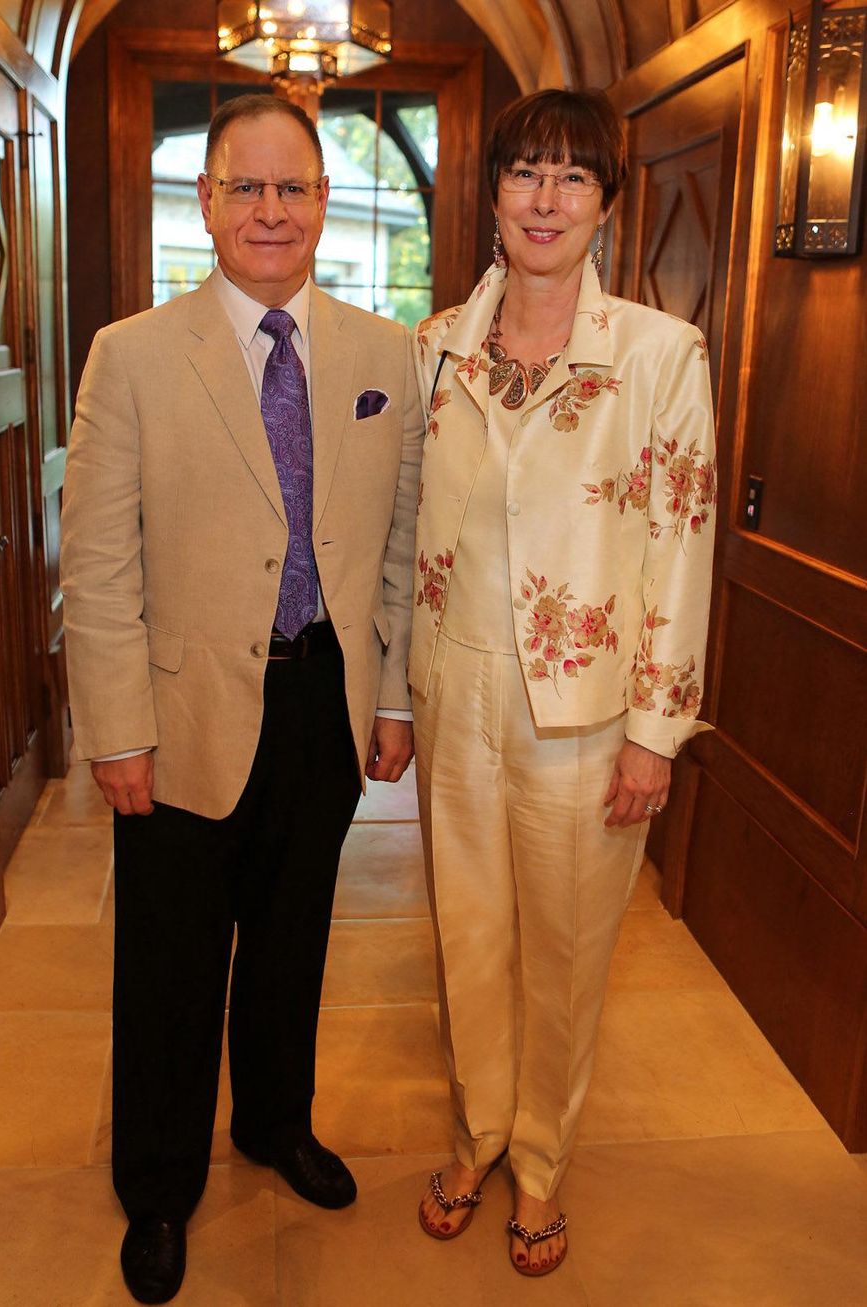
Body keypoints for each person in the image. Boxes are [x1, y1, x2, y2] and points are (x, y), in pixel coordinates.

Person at [61, 94, 422, 1305]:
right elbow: (99, 563)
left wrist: (394, 696)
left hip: (323, 696)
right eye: (246, 187)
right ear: (207, 202)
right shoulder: (133, 353)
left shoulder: (383, 355)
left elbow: (401, 538)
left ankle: (276, 1123)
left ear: (324, 202)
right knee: (169, 962)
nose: (271, 210)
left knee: (292, 938)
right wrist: (116, 727)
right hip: (181, 715)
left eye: (294, 188)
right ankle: (158, 1185)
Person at [410, 89, 716, 1278]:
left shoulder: (656, 353)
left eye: (571, 178)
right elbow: (405, 538)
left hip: (586, 708)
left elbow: (682, 546)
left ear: (603, 205)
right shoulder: (433, 345)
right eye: (524, 173)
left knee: (568, 950)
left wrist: (655, 730)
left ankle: (538, 1160)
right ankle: (472, 1129)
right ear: (489, 194)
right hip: (455, 691)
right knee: (466, 934)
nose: (544, 198)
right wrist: (397, 692)